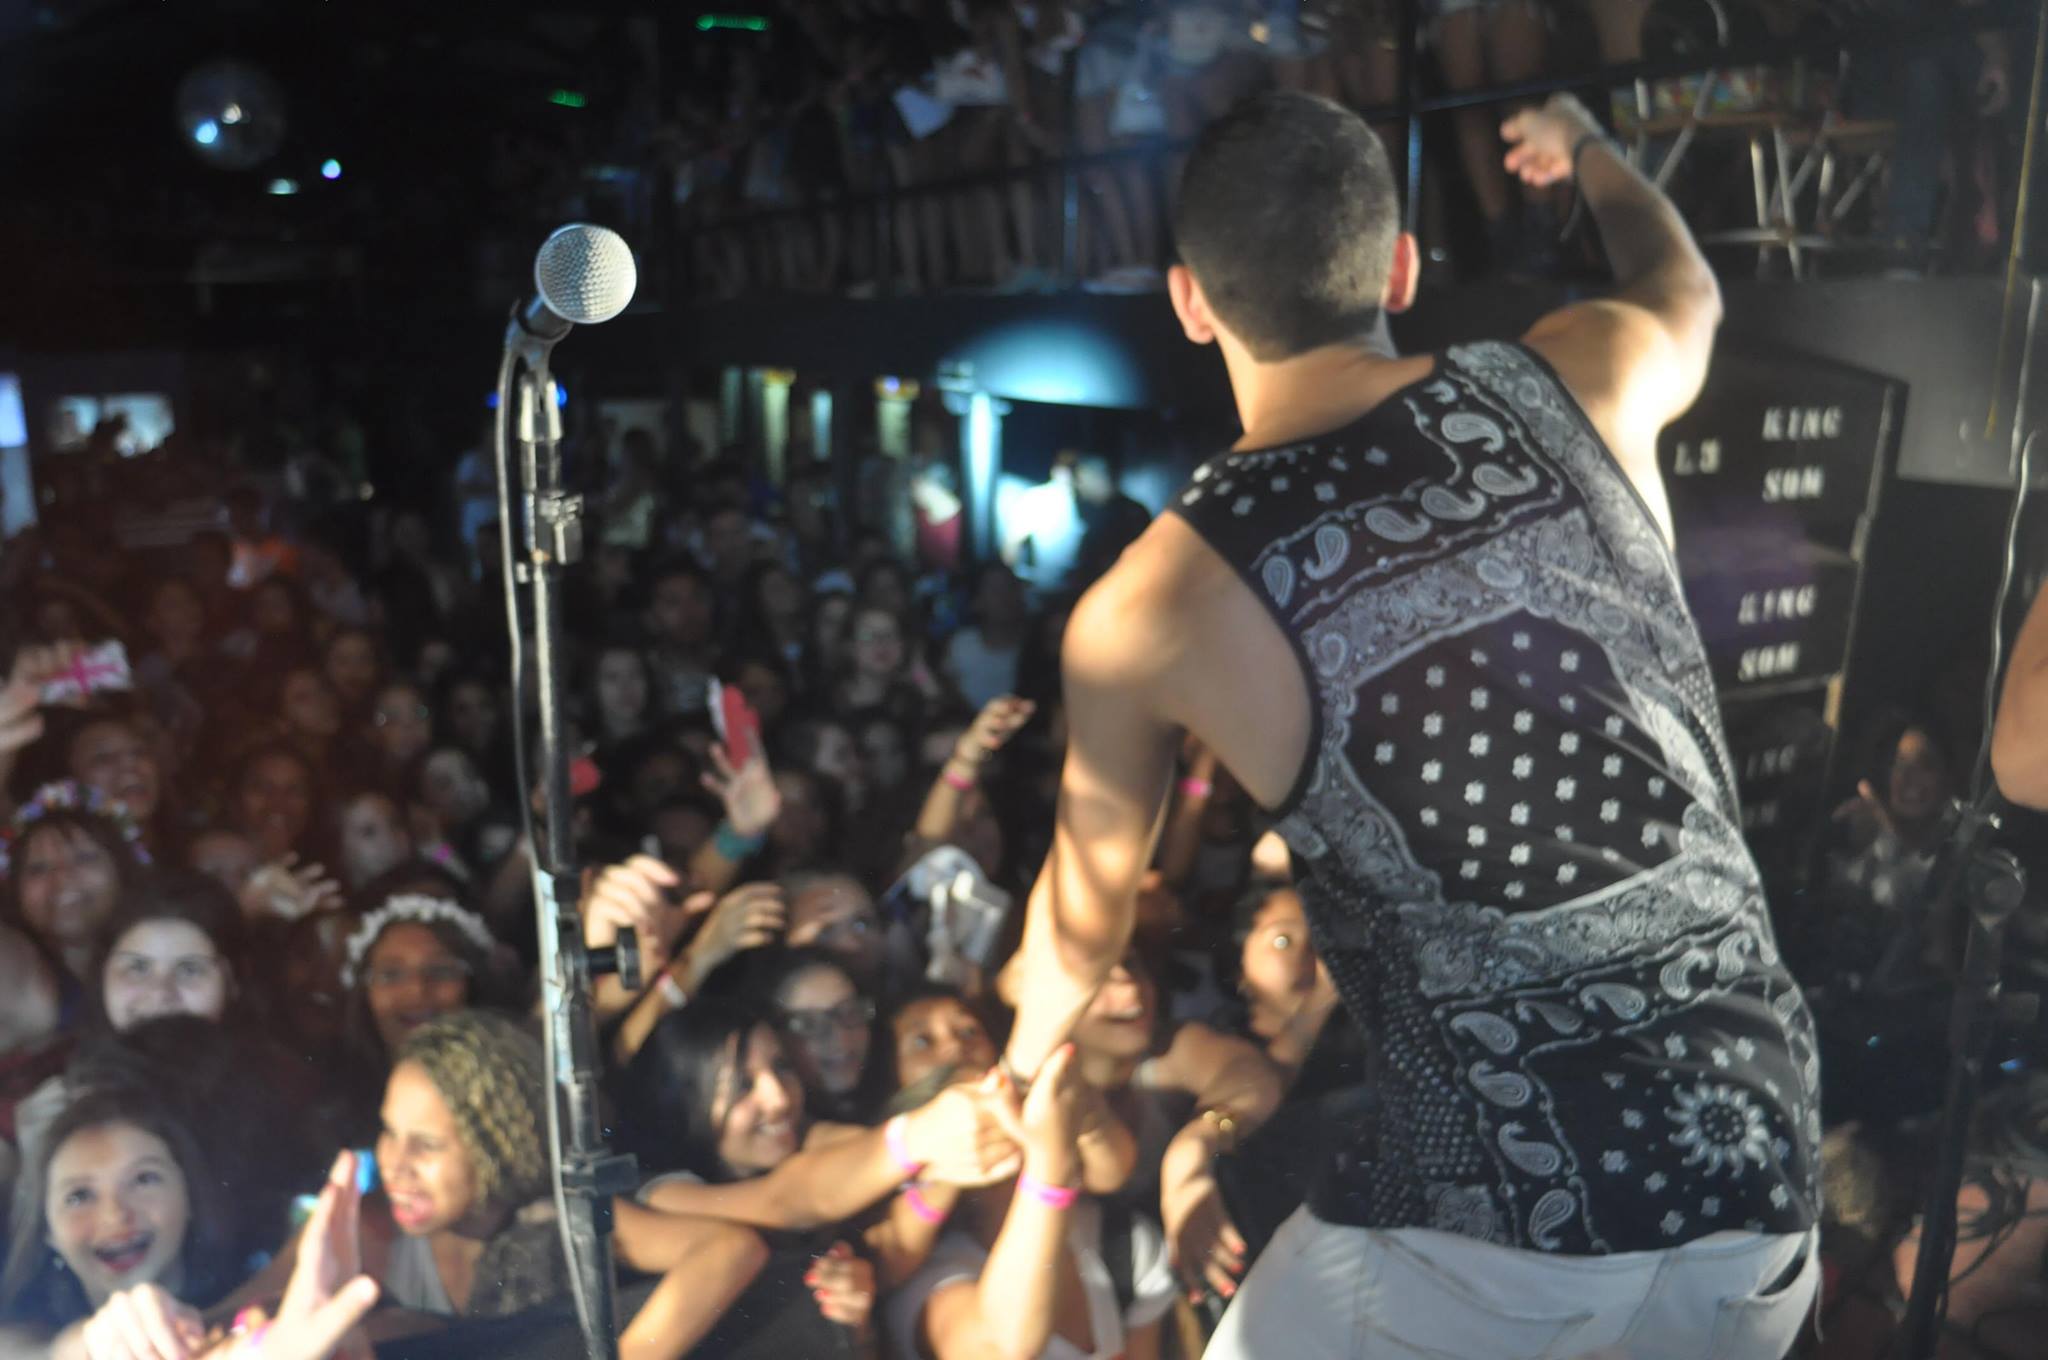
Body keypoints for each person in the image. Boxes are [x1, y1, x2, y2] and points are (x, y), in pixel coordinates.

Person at [1000, 92, 1821, 1358]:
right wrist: (1585, 146)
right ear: (1396, 268)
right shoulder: (1577, 373)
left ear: (1189, 302)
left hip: (1507, 1227)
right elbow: (1684, 284)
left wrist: (1014, 1071)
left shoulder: (1150, 607)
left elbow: (1076, 931)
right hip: (1761, 1166)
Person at [0, 1087, 238, 1358]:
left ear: (189, 1196)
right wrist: (88, 1344)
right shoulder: (22, 1331)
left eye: (143, 1179)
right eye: (79, 1196)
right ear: (48, 1231)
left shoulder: (253, 1274)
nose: (114, 1216)